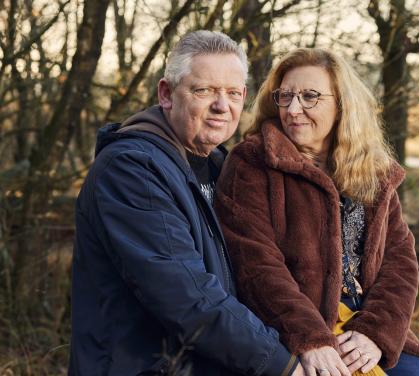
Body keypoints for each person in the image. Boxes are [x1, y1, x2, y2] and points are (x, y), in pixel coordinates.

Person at [68, 30, 304, 376]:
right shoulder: (131, 169)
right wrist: (285, 366)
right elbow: (186, 296)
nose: (222, 106)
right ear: (166, 94)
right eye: (204, 90)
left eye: (232, 93)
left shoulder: (221, 167)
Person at [215, 48, 419, 376]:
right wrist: (310, 338)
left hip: (367, 323)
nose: (294, 109)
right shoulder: (252, 162)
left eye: (310, 96)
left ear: (341, 103)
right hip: (297, 323)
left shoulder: (372, 169)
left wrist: (375, 333)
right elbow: (256, 264)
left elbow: (400, 261)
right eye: (285, 96)